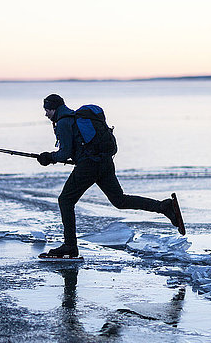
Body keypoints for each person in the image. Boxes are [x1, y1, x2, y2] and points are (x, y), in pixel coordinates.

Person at [37, 94, 185, 258]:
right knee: (120, 200)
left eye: (47, 110)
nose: (46, 114)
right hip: (105, 162)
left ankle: (70, 246)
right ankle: (164, 206)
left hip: (89, 166)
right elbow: (75, 149)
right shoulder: (73, 118)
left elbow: (65, 153)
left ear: (54, 108)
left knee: (65, 200)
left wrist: (48, 157)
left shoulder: (64, 122)